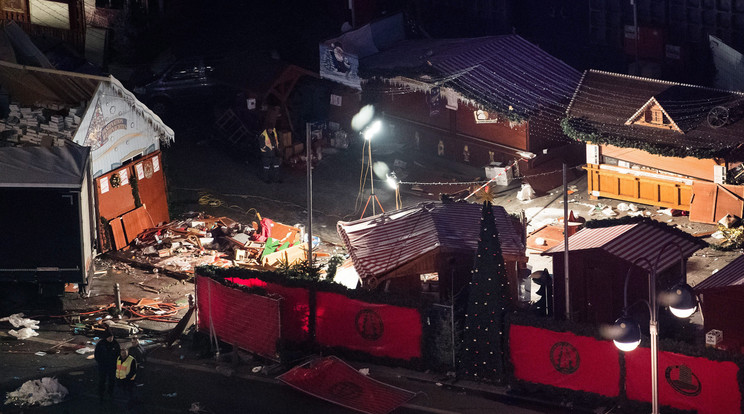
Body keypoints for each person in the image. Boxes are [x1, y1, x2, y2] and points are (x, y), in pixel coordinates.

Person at [94, 328, 120, 401]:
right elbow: (97, 354)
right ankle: (101, 393)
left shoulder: (115, 344)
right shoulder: (101, 344)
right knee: (102, 379)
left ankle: (110, 392)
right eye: (110, 337)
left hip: (112, 365)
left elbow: (118, 354)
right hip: (103, 366)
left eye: (112, 337)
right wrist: (100, 362)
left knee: (112, 380)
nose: (111, 338)